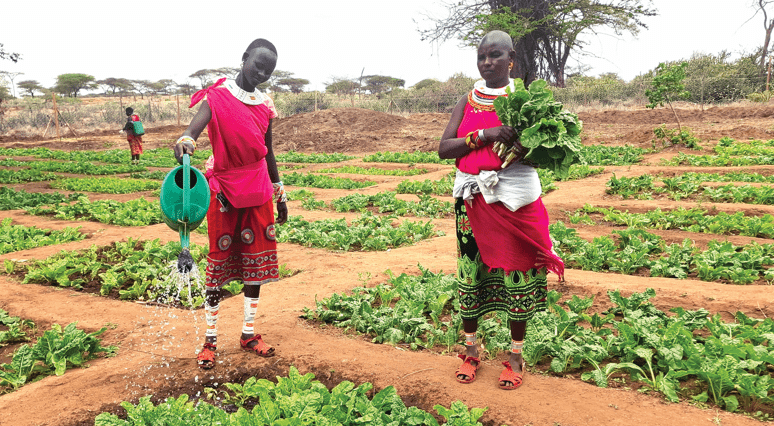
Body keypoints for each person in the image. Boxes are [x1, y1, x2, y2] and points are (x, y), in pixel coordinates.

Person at [438, 30, 564, 390]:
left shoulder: (524, 99)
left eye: (495, 56)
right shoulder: (468, 100)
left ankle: (515, 355)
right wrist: (486, 135)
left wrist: (528, 148)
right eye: (481, 57)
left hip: (513, 201)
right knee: (470, 273)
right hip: (472, 199)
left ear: (512, 60)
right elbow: (444, 148)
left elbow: (545, 150)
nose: (486, 63)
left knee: (517, 273)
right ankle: (471, 350)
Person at [173, 38, 288, 370]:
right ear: (244, 59)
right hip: (223, 192)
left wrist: (280, 195)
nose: (262, 73)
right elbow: (191, 132)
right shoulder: (218, 97)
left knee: (257, 264)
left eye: (269, 70)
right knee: (218, 266)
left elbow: (269, 154)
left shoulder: (265, 105)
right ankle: (209, 341)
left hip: (259, 192)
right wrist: (184, 144)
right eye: (258, 65)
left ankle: (248, 333)